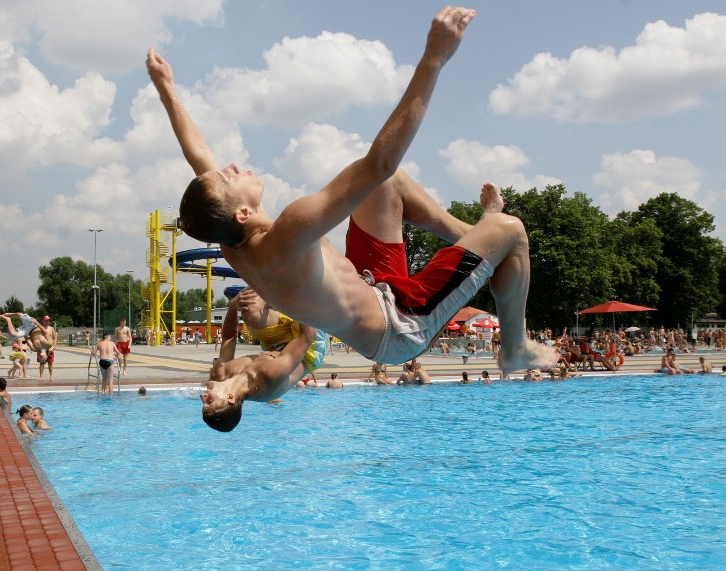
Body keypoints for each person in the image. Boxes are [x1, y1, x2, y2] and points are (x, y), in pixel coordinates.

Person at [147, 6, 555, 376]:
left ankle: (479, 236)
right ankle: (515, 347)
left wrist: (166, 89)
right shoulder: (288, 231)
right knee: (511, 229)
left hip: (374, 288)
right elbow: (380, 160)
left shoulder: (229, 240)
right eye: (228, 177)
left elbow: (198, 157)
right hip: (400, 326)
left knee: (386, 188)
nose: (232, 168)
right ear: (242, 213)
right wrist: (434, 58)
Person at [200, 290, 324, 431]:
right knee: (297, 291)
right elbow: (307, 336)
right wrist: (300, 294)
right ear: (230, 398)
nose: (203, 396)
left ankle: (272, 286)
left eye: (203, 402)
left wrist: (233, 306)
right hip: (309, 347)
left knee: (249, 307)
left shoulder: (220, 374)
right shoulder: (268, 378)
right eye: (209, 401)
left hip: (275, 344)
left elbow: (229, 337)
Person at [38, 316, 58, 383]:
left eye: (48, 321)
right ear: (43, 321)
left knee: (50, 363)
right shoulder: (39, 328)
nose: (47, 322)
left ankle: (51, 376)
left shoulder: (51, 328)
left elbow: (55, 337)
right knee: (42, 363)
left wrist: (54, 346)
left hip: (50, 348)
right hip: (42, 348)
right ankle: (41, 376)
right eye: (46, 321)